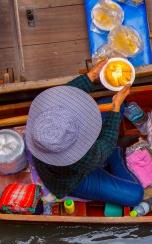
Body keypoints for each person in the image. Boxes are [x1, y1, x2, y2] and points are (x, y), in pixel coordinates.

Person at [25, 59, 144, 207]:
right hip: (73, 179)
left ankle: (112, 155)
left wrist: (90, 77)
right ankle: (115, 154)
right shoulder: (78, 158)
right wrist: (115, 108)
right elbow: (103, 146)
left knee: (109, 102)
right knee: (135, 195)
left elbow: (65, 94)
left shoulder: (45, 118)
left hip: (65, 143)